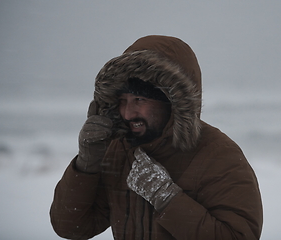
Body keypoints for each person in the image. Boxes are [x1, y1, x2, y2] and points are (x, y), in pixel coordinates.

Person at [50, 35, 263, 240]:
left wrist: (167, 198)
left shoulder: (220, 156)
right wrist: (87, 165)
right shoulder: (119, 150)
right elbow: (71, 227)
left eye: (139, 99)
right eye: (122, 100)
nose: (127, 113)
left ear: (173, 101)